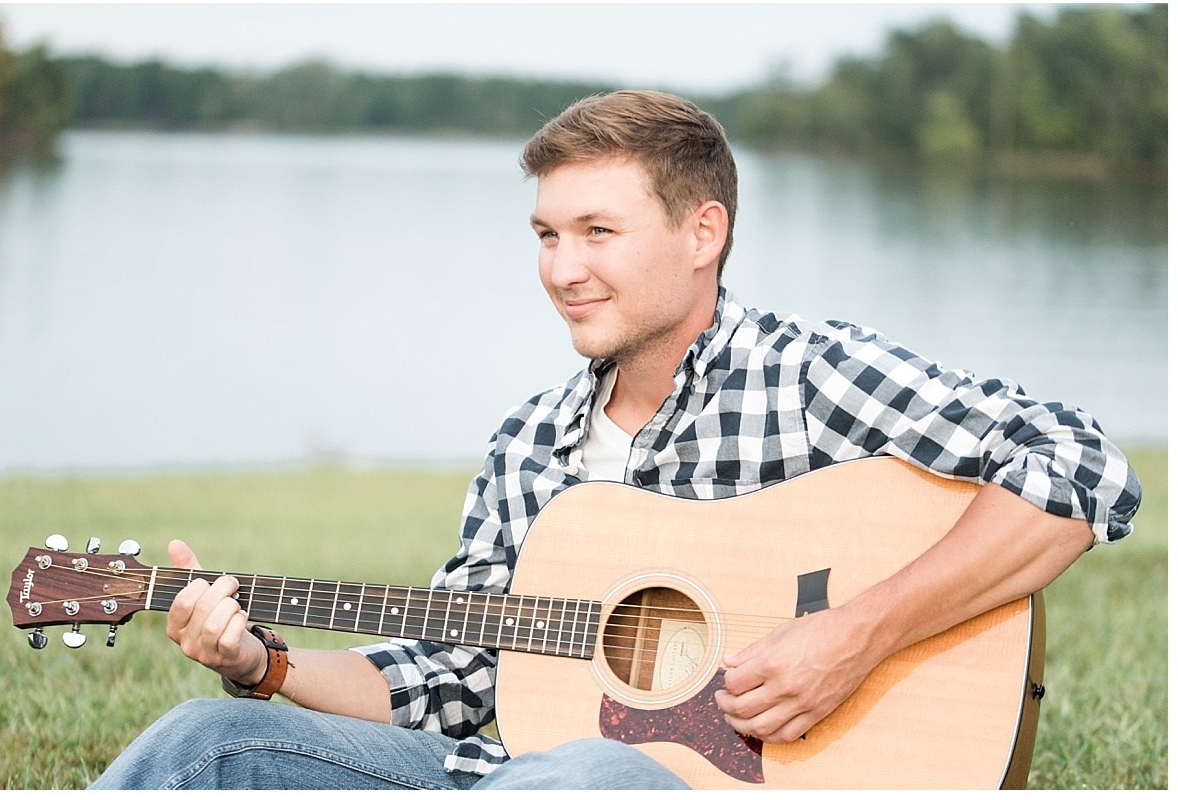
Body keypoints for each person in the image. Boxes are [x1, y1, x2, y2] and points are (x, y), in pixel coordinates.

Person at [90, 90, 1141, 790]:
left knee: (590, 770)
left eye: (598, 232)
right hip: (513, 776)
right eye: (548, 235)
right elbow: (457, 678)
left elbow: (1080, 467)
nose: (561, 269)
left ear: (702, 234)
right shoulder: (529, 445)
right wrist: (263, 662)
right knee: (203, 743)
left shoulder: (808, 373)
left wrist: (854, 632)